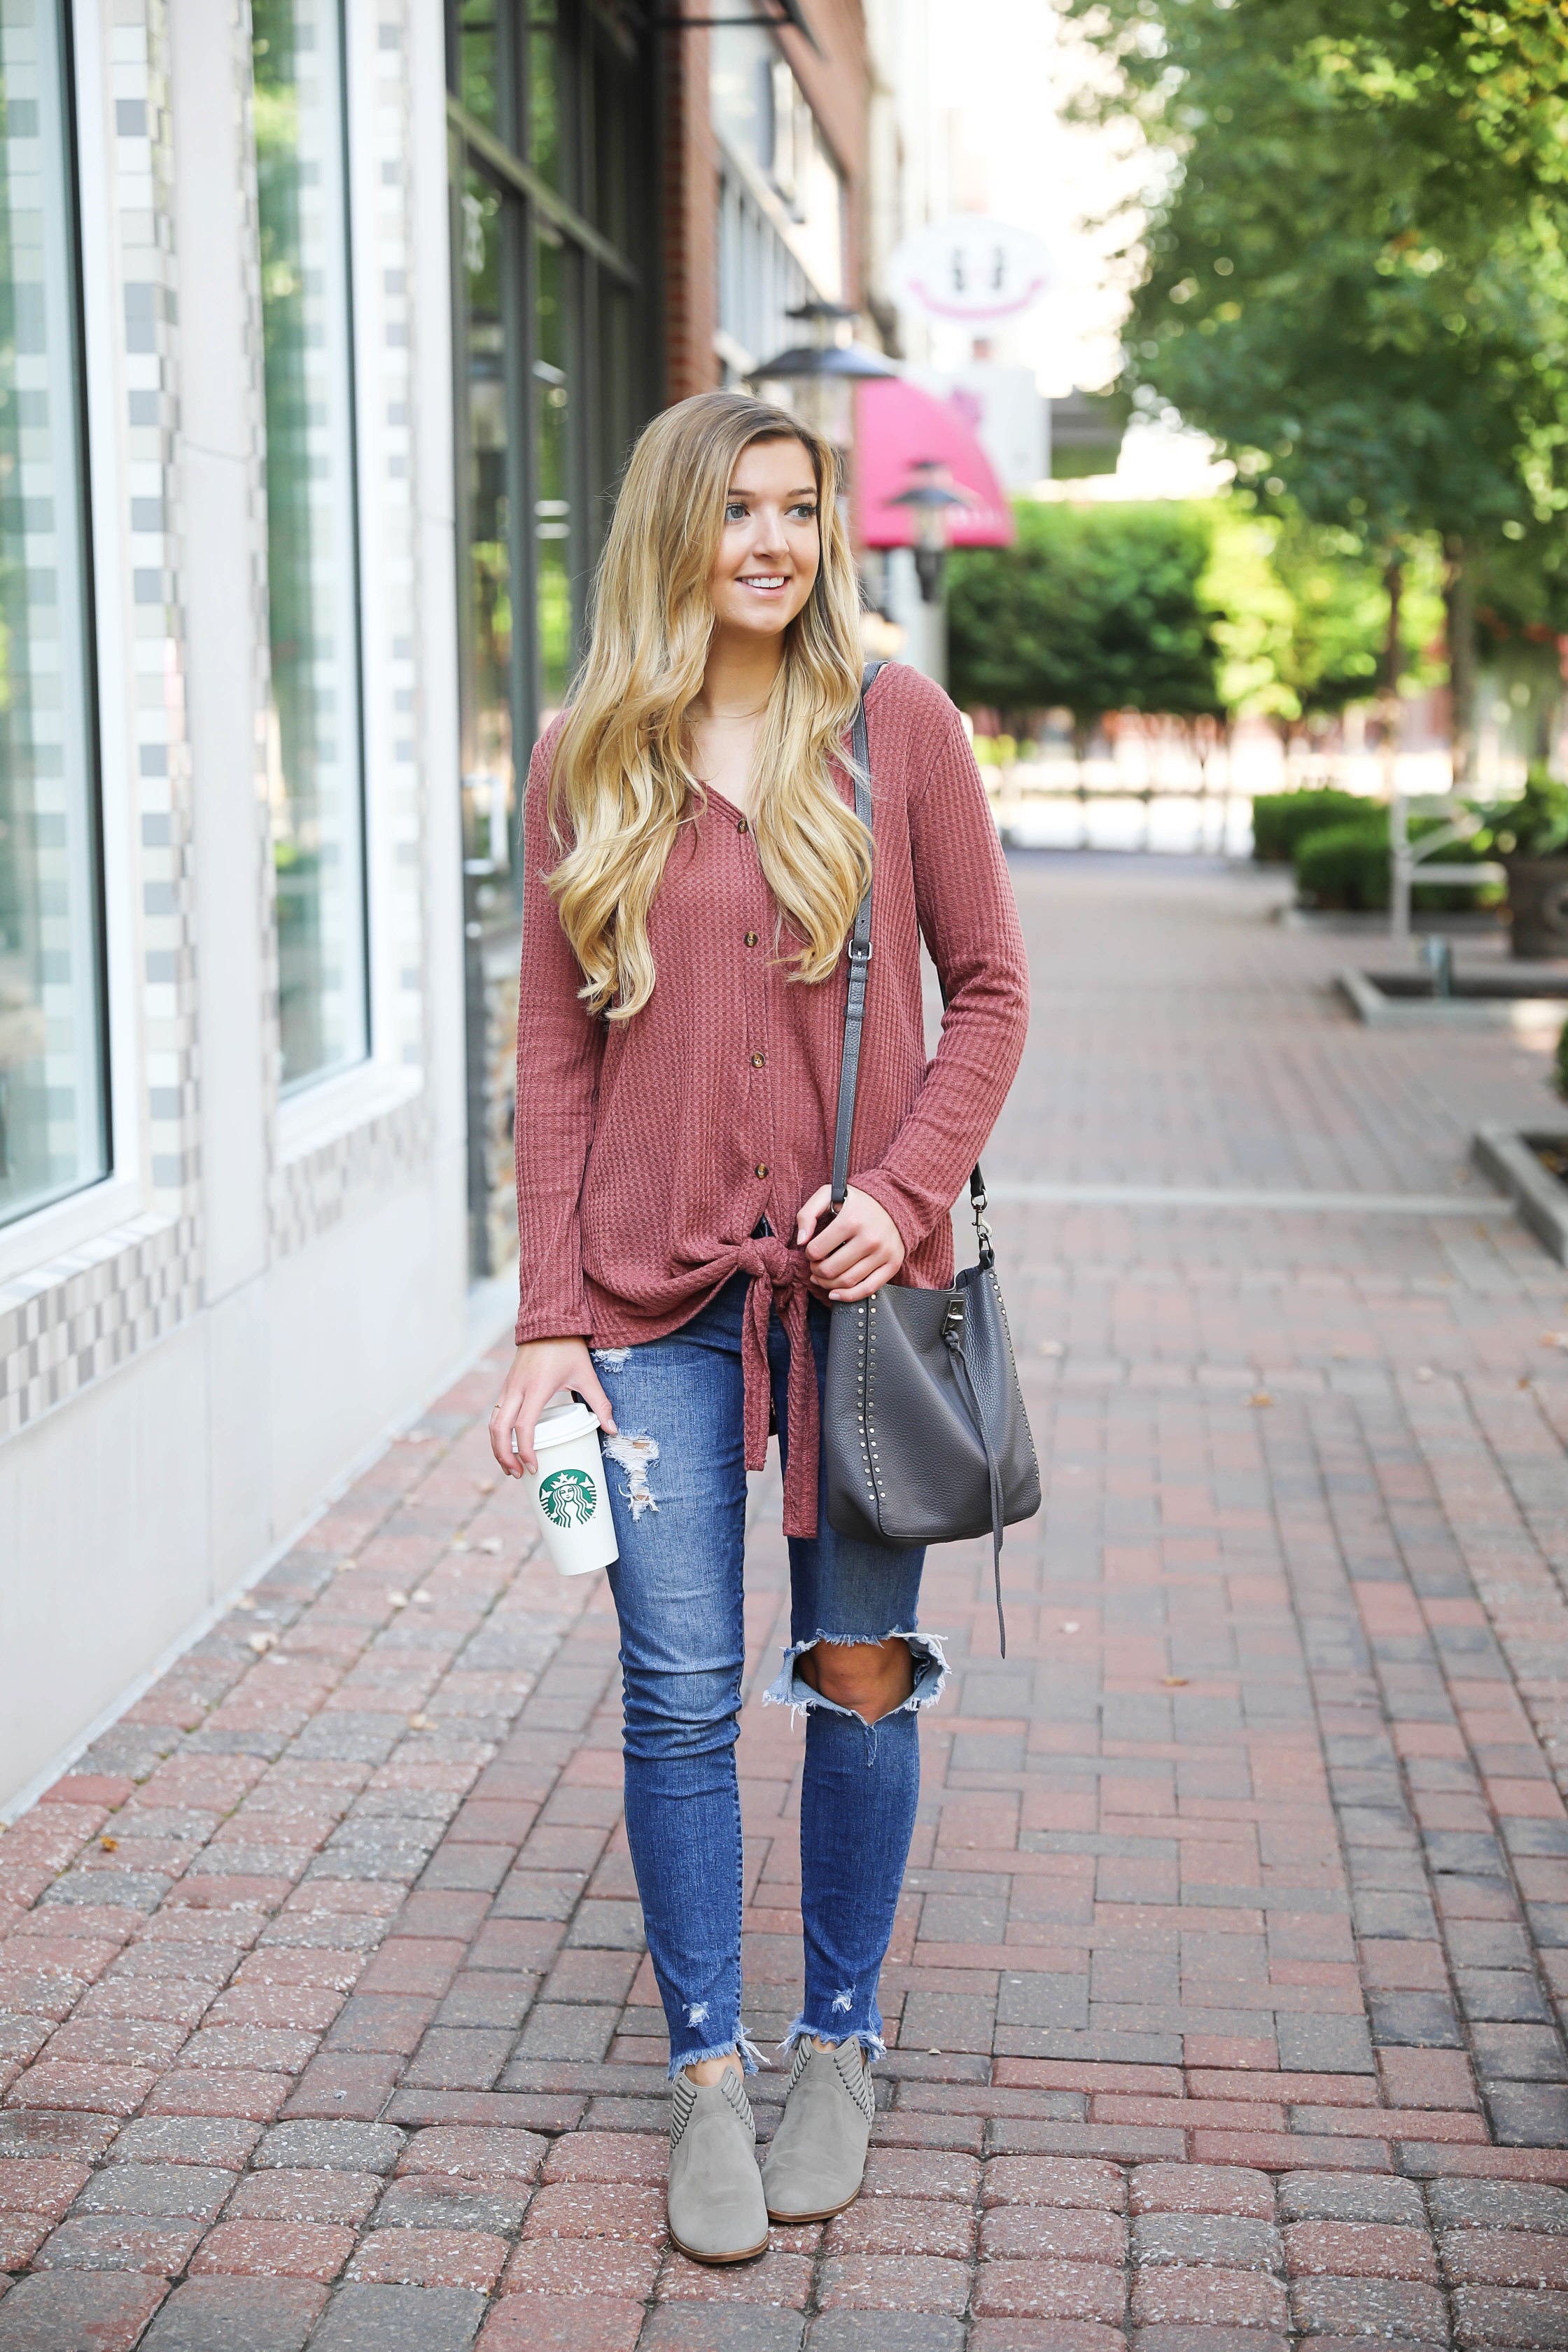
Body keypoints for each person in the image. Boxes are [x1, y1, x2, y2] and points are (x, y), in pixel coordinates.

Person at [488, 390, 1028, 2264]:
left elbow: (995, 996)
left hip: (857, 1303)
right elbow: (557, 1049)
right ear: (677, 534)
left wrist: (900, 1198)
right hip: (650, 1307)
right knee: (678, 1691)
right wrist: (544, 1319)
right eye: (740, 513)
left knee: (858, 1672)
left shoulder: (897, 729)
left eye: (801, 510)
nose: (777, 544)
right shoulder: (587, 754)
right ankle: (706, 2068)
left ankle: (843, 2037)